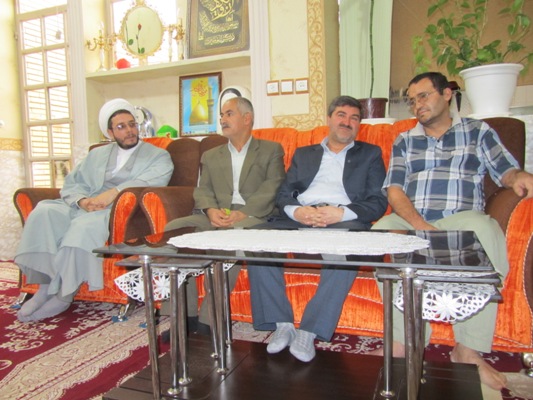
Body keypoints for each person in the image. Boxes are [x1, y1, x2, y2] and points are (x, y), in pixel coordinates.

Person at [371, 71, 533, 390]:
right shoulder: (405, 140)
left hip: (462, 217)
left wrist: (518, 177)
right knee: (380, 234)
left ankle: (467, 349)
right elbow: (395, 190)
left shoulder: (477, 131)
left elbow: (504, 170)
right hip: (412, 218)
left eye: (423, 96)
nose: (417, 104)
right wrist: (421, 226)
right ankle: (404, 341)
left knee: (484, 231)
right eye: (412, 100)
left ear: (447, 94)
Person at [247, 95, 388, 362]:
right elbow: (284, 194)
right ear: (329, 119)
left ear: (359, 124)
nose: (347, 122)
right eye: (341, 115)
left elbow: (378, 201)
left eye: (354, 118)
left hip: (343, 219)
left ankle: (309, 330)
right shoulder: (304, 153)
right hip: (301, 216)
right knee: (258, 244)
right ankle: (282, 325)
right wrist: (297, 211)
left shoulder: (370, 154)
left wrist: (341, 213)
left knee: (345, 254)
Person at [15, 98, 174, 322]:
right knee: (44, 211)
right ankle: (44, 286)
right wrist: (82, 201)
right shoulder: (97, 154)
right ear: (110, 132)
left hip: (116, 211)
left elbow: (152, 180)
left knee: (83, 226)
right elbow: (74, 183)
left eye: (132, 124)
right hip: (85, 205)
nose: (129, 130)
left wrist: (112, 194)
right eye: (121, 126)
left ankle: (64, 294)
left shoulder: (157, 155)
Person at [163, 96, 286, 333]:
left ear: (247, 118)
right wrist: (210, 210)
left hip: (253, 216)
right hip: (217, 214)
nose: (222, 119)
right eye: (221, 115)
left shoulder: (271, 150)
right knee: (176, 230)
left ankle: (209, 319)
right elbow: (203, 189)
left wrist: (244, 213)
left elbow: (273, 186)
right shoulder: (211, 155)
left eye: (229, 114)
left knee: (231, 238)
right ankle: (184, 314)